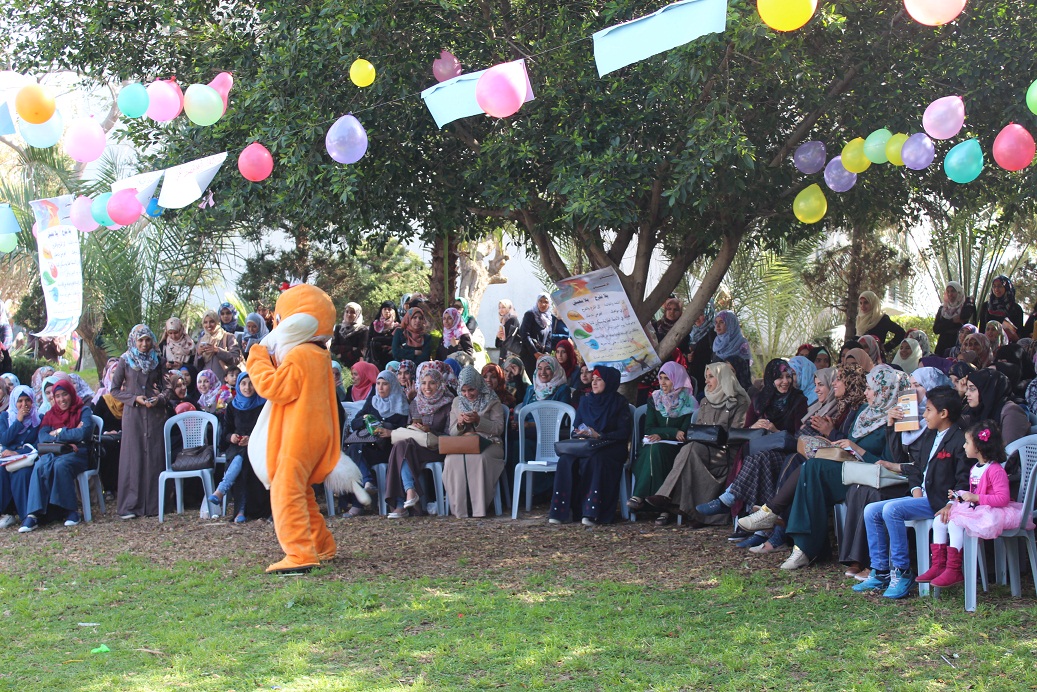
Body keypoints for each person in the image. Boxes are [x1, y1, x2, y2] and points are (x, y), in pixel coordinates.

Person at [777, 365, 910, 570]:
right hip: (850, 469)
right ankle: (801, 546)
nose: (865, 393)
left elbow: (888, 464)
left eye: (870, 388)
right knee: (811, 471)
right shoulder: (866, 412)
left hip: (869, 474)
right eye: (865, 387)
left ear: (885, 391)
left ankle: (800, 543)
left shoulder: (895, 420)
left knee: (813, 469)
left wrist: (859, 447)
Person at [852, 386, 970, 597]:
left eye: (929, 410)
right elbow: (915, 467)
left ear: (943, 414)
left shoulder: (959, 440)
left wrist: (951, 503)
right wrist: (915, 488)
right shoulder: (930, 436)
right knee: (871, 510)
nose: (924, 415)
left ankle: (902, 571)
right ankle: (880, 571)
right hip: (922, 497)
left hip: (939, 501)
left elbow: (964, 478)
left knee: (892, 510)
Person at [717, 365, 862, 537]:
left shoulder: (844, 408)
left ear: (850, 382)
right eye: (780, 377)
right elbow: (750, 427)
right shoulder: (766, 399)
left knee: (785, 461)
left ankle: (767, 521)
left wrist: (827, 431)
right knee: (760, 457)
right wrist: (755, 427)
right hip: (801, 452)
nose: (817, 389)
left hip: (822, 459)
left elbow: (846, 443)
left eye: (825, 383)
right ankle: (760, 521)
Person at [839, 366, 951, 578]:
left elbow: (921, 464)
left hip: (921, 484)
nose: (912, 390)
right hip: (908, 477)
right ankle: (858, 559)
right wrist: (891, 425)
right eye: (910, 385)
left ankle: (877, 565)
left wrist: (902, 471)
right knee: (858, 488)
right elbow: (899, 456)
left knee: (875, 496)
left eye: (917, 386)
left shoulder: (938, 422)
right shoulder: (910, 414)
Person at [917, 421, 1035, 588]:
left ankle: (954, 569)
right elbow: (974, 493)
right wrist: (959, 496)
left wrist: (975, 497)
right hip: (976, 509)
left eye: (967, 443)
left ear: (978, 447)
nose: (964, 446)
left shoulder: (995, 470)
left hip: (992, 512)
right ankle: (938, 565)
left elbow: (1002, 498)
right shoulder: (975, 468)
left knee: (956, 525)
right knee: (939, 521)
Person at [645, 362, 750, 525]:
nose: (707, 381)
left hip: (727, 450)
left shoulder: (740, 402)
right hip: (703, 447)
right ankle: (699, 514)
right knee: (691, 450)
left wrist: (717, 434)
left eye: (711, 377)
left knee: (691, 450)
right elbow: (698, 427)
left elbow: (738, 431)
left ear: (722, 378)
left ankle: (667, 496)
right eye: (705, 377)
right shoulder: (705, 401)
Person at [548, 365, 632, 526]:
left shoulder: (619, 403)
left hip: (611, 447)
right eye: (593, 379)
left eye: (599, 379)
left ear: (609, 382)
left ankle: (591, 512)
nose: (594, 383)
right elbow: (577, 426)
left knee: (595, 459)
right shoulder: (585, 401)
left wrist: (600, 435)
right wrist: (580, 433)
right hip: (586, 446)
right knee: (566, 459)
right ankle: (561, 511)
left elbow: (623, 432)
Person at [19, 379, 94, 531]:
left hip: (78, 453)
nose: (61, 400)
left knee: (61, 465)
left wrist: (59, 431)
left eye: (64, 395)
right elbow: (43, 436)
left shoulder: (83, 410)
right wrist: (68, 436)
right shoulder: (50, 414)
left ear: (71, 394)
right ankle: (33, 515)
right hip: (56, 452)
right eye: (57, 396)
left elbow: (83, 433)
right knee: (39, 465)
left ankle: (70, 511)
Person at [384, 362, 455, 518]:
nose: (427, 387)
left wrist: (431, 430)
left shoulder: (449, 403)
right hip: (415, 448)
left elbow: (451, 435)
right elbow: (410, 428)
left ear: (440, 384)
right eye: (423, 383)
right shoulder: (416, 403)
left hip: (437, 448)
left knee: (401, 447)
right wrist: (416, 428)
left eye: (432, 383)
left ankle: (401, 503)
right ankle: (409, 493)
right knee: (402, 446)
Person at [112, 324, 167, 520]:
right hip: (133, 415)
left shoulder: (158, 360)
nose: (144, 344)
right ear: (134, 341)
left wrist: (159, 399)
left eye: (147, 340)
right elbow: (115, 390)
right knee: (133, 457)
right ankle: (130, 505)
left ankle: (154, 504)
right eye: (140, 340)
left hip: (154, 414)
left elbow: (166, 387)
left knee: (154, 455)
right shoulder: (125, 360)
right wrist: (134, 399)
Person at [628, 362, 696, 512]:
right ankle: (662, 507)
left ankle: (639, 496)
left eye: (667, 379)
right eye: (661, 378)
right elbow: (649, 428)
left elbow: (683, 433)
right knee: (652, 449)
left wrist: (666, 434)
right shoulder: (655, 399)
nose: (663, 383)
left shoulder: (689, 402)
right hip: (654, 444)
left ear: (677, 379)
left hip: (676, 449)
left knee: (656, 450)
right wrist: (671, 432)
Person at [443, 365, 506, 519]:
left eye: (471, 390)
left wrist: (479, 420)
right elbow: (451, 431)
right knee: (451, 460)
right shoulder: (457, 402)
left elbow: (498, 428)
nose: (467, 394)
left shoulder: (492, 399)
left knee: (479, 459)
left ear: (478, 385)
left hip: (490, 442)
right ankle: (461, 509)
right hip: (464, 443)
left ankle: (478, 508)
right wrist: (459, 424)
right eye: (464, 391)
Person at [344, 370, 409, 516]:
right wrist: (366, 419)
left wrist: (386, 427)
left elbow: (404, 429)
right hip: (369, 447)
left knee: (354, 452)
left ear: (392, 385)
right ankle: (367, 482)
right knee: (354, 449)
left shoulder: (401, 404)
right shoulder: (373, 401)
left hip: (389, 449)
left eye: (385, 384)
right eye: (378, 383)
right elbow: (355, 423)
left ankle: (360, 500)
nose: (380, 388)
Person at [209, 372, 266, 523]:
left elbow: (268, 430)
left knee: (244, 457)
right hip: (236, 446)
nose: (247, 387)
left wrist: (252, 439)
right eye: (243, 384)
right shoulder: (232, 406)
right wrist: (232, 437)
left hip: (259, 445)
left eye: (251, 383)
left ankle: (232, 501)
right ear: (238, 386)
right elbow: (225, 434)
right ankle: (240, 510)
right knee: (242, 456)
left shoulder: (263, 404)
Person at [0, 386, 41, 529]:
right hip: (8, 460)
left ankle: (27, 516)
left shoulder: (38, 419)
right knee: (1, 472)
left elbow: (38, 443)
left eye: (27, 400)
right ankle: (7, 513)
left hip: (29, 459)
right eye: (20, 401)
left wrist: (19, 452)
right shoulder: (5, 417)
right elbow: (5, 440)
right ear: (14, 402)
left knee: (21, 474)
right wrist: (18, 421)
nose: (24, 405)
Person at [961, 368, 1029, 451]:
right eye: (967, 389)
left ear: (988, 390)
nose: (967, 393)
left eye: (972, 389)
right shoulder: (974, 410)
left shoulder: (1011, 412)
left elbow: (1008, 452)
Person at [194, 309, 242, 382]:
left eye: (212, 321)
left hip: (223, 384)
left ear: (217, 322)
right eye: (205, 322)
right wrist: (199, 354)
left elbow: (236, 359)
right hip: (207, 386)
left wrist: (217, 350)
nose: (208, 325)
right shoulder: (202, 340)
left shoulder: (228, 337)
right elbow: (196, 367)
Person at [712, 310, 753, 392]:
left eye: (722, 322)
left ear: (730, 324)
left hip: (736, 390)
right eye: (716, 322)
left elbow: (744, 373)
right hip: (717, 390)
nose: (718, 325)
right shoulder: (717, 343)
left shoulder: (741, 343)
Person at [932, 282, 976, 356]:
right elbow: (936, 329)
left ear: (959, 292)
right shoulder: (942, 309)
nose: (950, 294)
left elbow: (965, 318)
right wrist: (952, 321)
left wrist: (969, 300)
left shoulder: (965, 307)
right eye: (948, 291)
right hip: (942, 346)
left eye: (953, 291)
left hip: (959, 346)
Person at [518, 293, 555, 379]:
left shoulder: (549, 318)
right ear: (537, 302)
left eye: (546, 302)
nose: (543, 304)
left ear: (549, 304)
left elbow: (549, 337)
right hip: (529, 355)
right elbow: (525, 335)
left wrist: (546, 352)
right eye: (540, 301)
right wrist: (535, 352)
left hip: (542, 357)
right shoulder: (530, 314)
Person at [330, 303, 368, 368]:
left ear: (358, 314)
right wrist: (351, 348)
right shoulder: (339, 328)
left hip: (356, 366)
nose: (349, 314)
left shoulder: (363, 330)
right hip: (339, 365)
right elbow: (333, 348)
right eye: (347, 311)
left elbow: (361, 351)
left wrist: (342, 355)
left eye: (352, 312)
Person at [366, 300, 399, 369]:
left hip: (391, 357)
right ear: (381, 310)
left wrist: (376, 339)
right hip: (375, 358)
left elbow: (395, 340)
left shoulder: (397, 326)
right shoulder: (374, 324)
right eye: (385, 309)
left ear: (394, 311)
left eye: (389, 309)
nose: (387, 311)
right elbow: (369, 341)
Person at [495, 299, 522, 364]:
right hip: (503, 353)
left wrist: (503, 338)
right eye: (499, 307)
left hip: (511, 354)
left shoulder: (513, 319)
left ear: (509, 308)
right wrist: (498, 337)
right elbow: (498, 345)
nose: (501, 309)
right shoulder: (503, 321)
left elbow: (511, 339)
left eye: (503, 307)